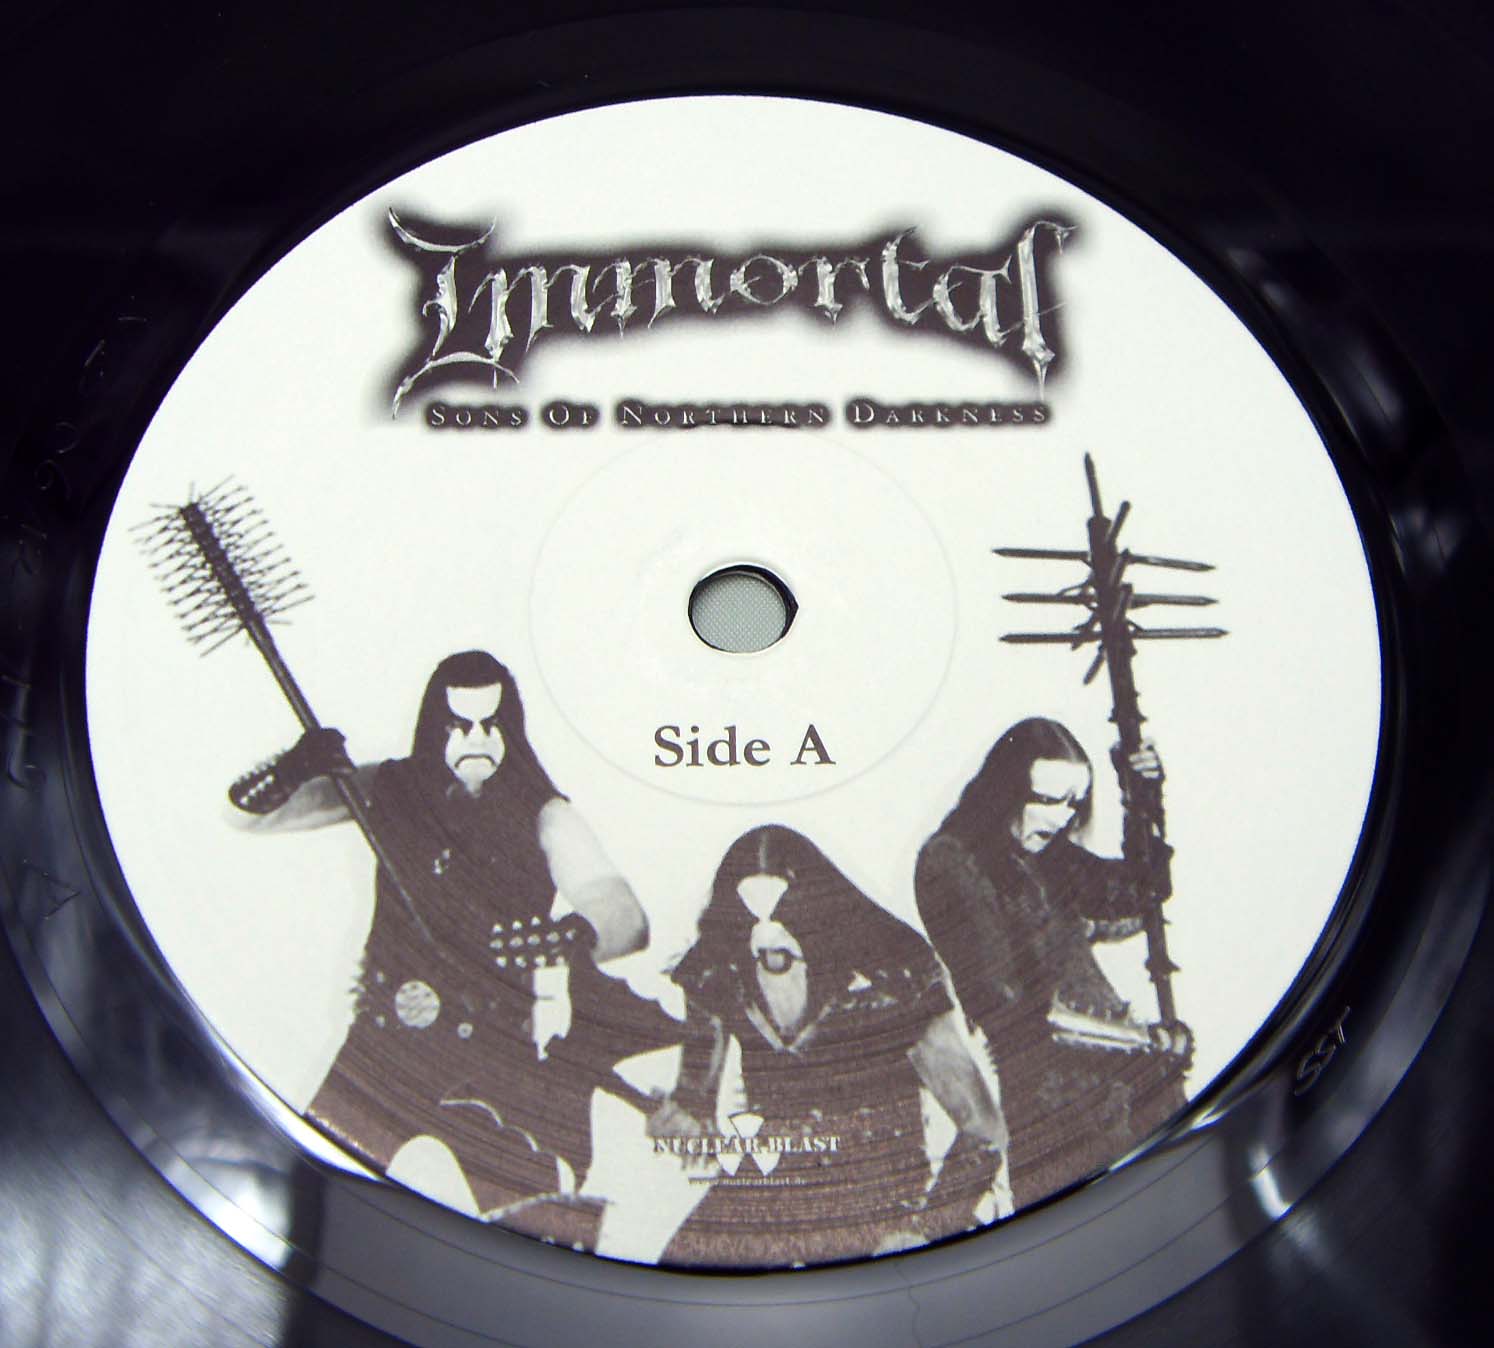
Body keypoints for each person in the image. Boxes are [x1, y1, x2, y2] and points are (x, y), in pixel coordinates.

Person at [227, 650, 667, 1242]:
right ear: (435, 728)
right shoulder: (385, 786)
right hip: (386, 1036)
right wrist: (293, 769)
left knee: (529, 1222)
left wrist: (571, 936)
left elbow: (625, 916)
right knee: (313, 1193)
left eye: (492, 724)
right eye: (459, 725)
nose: (476, 740)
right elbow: (252, 815)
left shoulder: (543, 811)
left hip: (496, 1043)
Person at [648, 825, 1008, 1267]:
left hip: (876, 1202)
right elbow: (693, 1102)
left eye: (783, 913)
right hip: (770, 1185)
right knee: (678, 1279)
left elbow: (982, 1128)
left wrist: (928, 1228)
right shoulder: (722, 971)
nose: (766, 933)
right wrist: (681, 1121)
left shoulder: (894, 981)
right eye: (750, 917)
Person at [914, 717, 1190, 1211]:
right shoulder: (950, 861)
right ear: (1004, 791)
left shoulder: (1047, 854)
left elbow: (1141, 892)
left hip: (1133, 1087)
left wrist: (1141, 796)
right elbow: (1013, 1011)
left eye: (1073, 803)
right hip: (1059, 1111)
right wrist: (1144, 1041)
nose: (1062, 818)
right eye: (1047, 800)